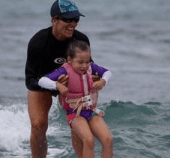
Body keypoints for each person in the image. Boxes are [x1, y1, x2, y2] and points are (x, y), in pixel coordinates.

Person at [25, 0, 99, 157]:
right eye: (67, 19)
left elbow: (88, 68)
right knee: (38, 125)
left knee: (78, 124)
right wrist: (54, 85)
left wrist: (95, 77)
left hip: (71, 87)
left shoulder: (80, 41)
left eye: (76, 19)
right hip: (42, 84)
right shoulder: (38, 43)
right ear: (54, 20)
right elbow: (30, 80)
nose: (73, 24)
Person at [39, 40, 113, 158]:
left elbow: (108, 72)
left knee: (108, 139)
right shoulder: (64, 70)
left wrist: (102, 81)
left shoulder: (91, 68)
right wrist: (57, 85)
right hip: (75, 115)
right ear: (69, 60)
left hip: (91, 111)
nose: (84, 66)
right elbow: (42, 81)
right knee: (89, 140)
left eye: (87, 62)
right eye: (80, 62)